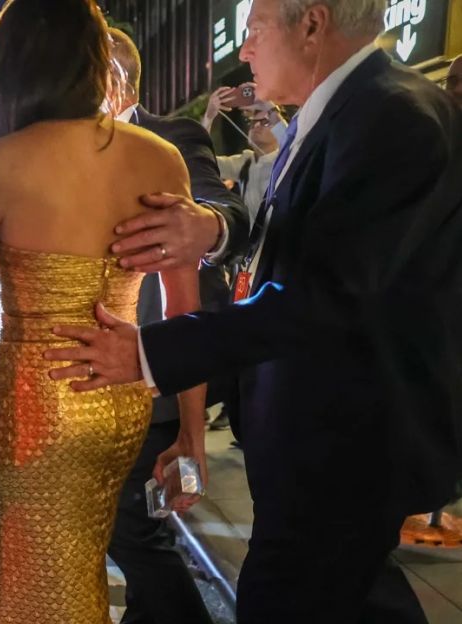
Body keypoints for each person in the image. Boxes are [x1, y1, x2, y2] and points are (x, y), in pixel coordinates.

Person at [49, 0, 462, 621]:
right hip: (316, 430)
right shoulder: (341, 112)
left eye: (253, 32)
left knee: (282, 600)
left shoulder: (393, 117)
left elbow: (328, 296)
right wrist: (212, 235)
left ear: (313, 24)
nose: (243, 52)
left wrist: (147, 350)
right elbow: (293, 248)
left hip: (349, 438)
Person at [0, 1, 207, 622]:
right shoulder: (159, 157)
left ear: (8, 66)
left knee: (28, 585)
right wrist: (191, 436)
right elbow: (185, 312)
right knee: (81, 563)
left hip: (35, 407)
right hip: (123, 405)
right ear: (96, 60)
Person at [101, 28, 251, 624]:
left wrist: (206, 223)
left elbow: (224, 209)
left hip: (163, 370)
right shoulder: (74, 150)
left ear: (116, 76)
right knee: (138, 530)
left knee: (137, 529)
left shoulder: (173, 137)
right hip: (103, 374)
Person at [203, 86, 288, 225]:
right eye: (253, 122)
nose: (256, 126)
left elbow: (291, 140)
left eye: (265, 122)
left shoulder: (286, 158)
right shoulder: (245, 162)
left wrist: (269, 106)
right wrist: (209, 116)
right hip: (255, 244)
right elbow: (204, 161)